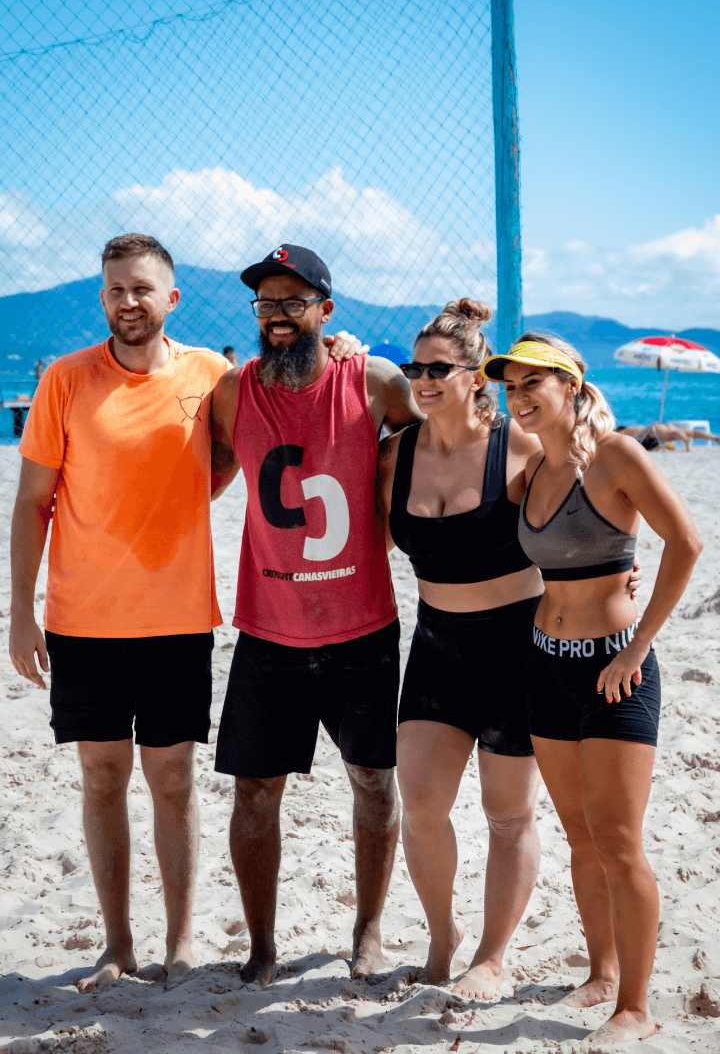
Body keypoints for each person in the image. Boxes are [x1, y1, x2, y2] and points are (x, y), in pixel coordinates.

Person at [8, 234, 364, 994]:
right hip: (82, 621)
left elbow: (276, 418)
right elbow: (33, 502)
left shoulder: (210, 374)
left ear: (171, 299)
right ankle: (116, 944)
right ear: (101, 299)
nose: (127, 301)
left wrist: (340, 345)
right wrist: (19, 613)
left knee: (172, 781)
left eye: (142, 288)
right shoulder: (65, 381)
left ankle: (177, 944)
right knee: (101, 778)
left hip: (177, 620)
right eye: (114, 290)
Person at [376, 302, 641, 1000]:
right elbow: (367, 544)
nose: (423, 380)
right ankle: (444, 938)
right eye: (415, 368)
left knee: (507, 813)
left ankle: (491, 957)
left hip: (515, 651)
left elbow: (589, 518)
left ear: (473, 378)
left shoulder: (515, 450)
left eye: (439, 368)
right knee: (423, 802)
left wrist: (620, 571)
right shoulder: (394, 455)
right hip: (434, 649)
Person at [211, 244, 424, 988]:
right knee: (254, 793)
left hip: (362, 627)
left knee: (372, 782)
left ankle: (367, 931)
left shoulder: (373, 380)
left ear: (326, 312)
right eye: (265, 304)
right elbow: (199, 477)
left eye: (292, 303)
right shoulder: (234, 392)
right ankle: (262, 946)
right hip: (268, 630)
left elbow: (448, 441)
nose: (276, 317)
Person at [482, 332, 702, 1045]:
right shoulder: (529, 472)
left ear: (571, 386)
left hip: (617, 669)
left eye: (531, 386)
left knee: (619, 842)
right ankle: (603, 972)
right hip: (545, 663)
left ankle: (634, 1008)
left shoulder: (617, 457)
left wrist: (638, 644)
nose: (517, 400)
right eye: (509, 389)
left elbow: (687, 543)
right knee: (579, 836)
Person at [617, 422, 720, 452]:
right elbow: (663, 445)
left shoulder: (622, 433)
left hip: (652, 430)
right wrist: (670, 446)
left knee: (672, 434)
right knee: (691, 433)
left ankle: (685, 440)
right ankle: (715, 438)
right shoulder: (631, 429)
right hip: (658, 427)